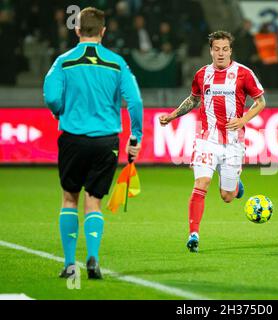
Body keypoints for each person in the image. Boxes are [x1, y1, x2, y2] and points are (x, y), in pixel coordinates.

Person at [43, 7, 143, 279]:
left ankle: (68, 264)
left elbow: (51, 96)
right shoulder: (116, 62)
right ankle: (94, 259)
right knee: (94, 201)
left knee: (69, 198)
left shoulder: (63, 61)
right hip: (106, 140)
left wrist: (60, 111)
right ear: (103, 31)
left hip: (73, 138)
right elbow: (134, 101)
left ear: (77, 30)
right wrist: (136, 136)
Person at [159, 30, 266, 253]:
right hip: (206, 139)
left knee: (227, 196)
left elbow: (260, 102)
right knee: (201, 184)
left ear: (230, 51)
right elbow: (194, 99)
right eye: (216, 49)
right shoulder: (201, 74)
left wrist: (243, 119)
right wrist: (172, 116)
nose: (220, 53)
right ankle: (193, 235)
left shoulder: (244, 74)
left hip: (234, 142)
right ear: (210, 51)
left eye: (224, 49)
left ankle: (235, 185)